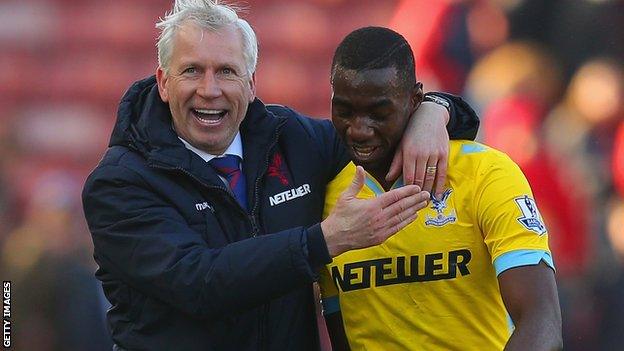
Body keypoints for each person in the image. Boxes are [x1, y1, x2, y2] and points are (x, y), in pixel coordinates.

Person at [81, 1, 479, 350]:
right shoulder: (119, 183)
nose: (209, 89)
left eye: (226, 71)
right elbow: (199, 283)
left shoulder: (291, 138)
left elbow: (380, 131)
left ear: (252, 84)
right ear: (164, 83)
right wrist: (324, 241)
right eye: (191, 71)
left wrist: (432, 112)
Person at [319, 27, 562, 350]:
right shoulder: (326, 193)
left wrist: (439, 108)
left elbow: (542, 320)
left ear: (415, 100)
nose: (360, 130)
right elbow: (342, 336)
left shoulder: (485, 173)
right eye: (345, 111)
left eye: (379, 113)